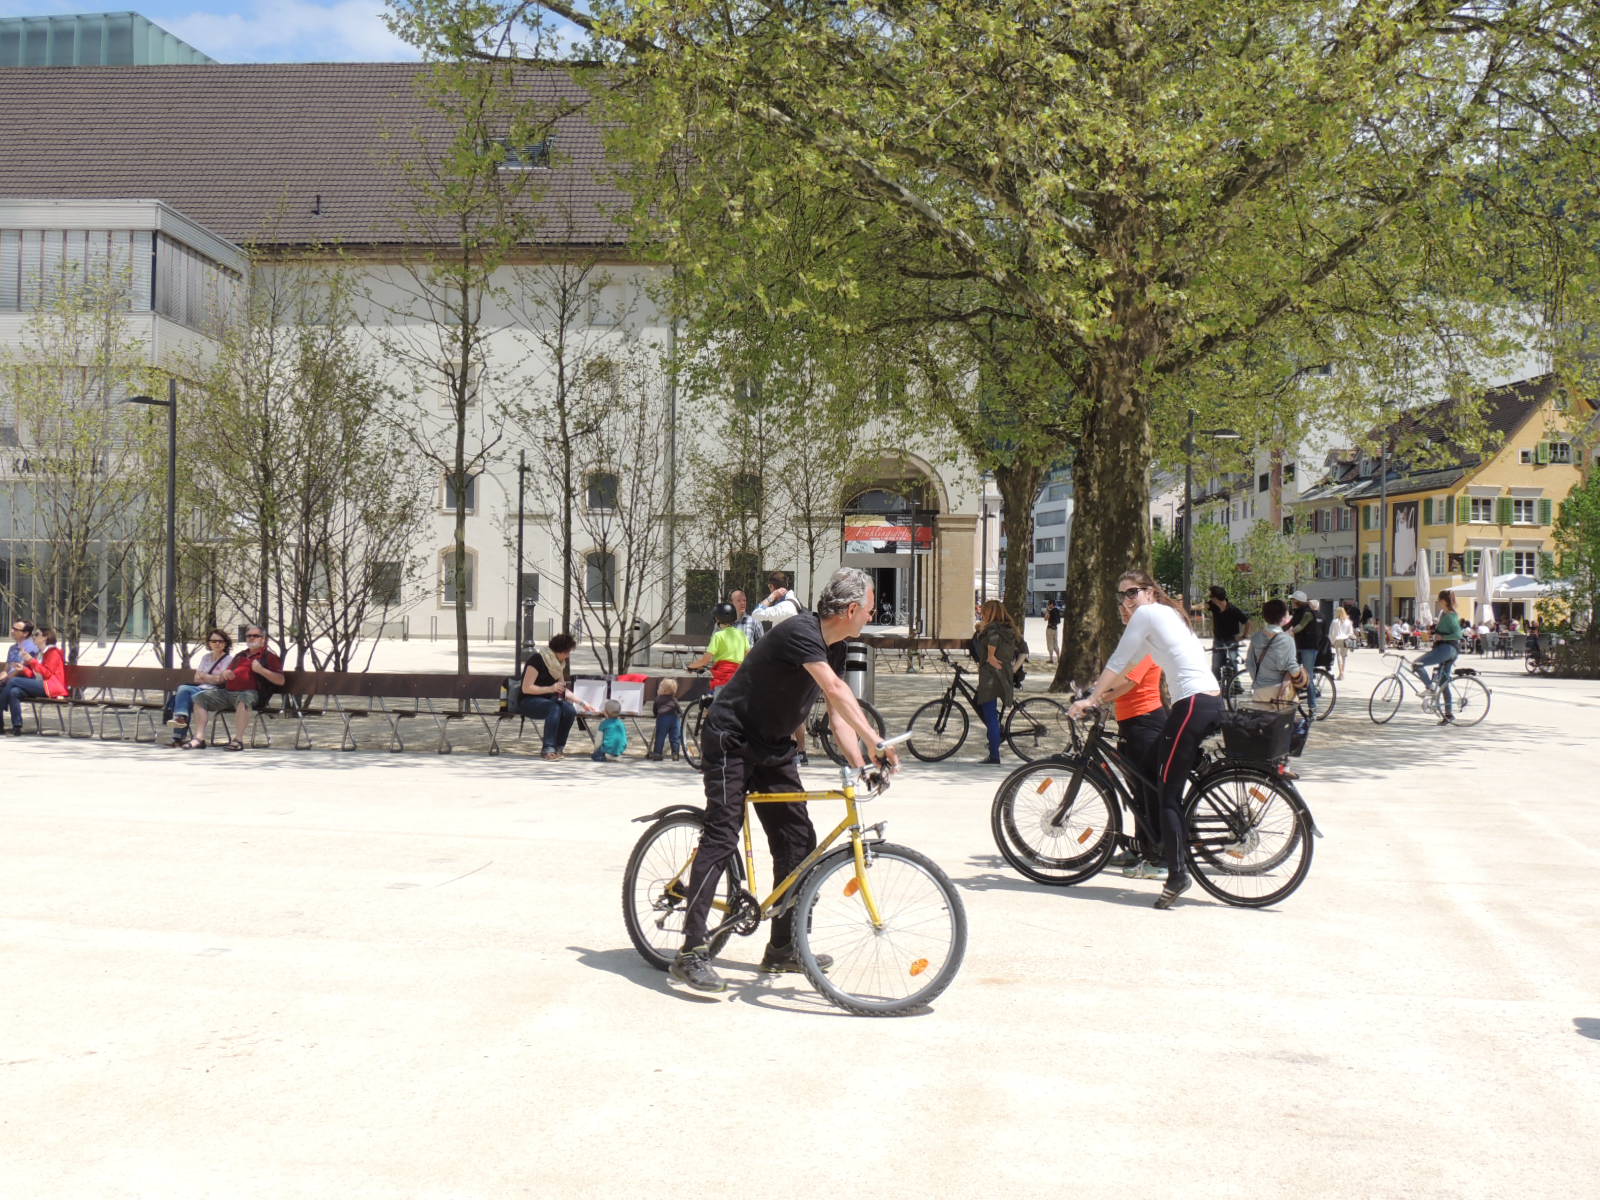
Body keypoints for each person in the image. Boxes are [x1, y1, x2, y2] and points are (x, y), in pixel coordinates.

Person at [669, 567, 894, 994]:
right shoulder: (801, 632)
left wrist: (862, 762)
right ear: (851, 610)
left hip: (773, 747)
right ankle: (692, 951)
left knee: (797, 840)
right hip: (731, 739)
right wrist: (877, 740)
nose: (871, 615)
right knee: (722, 834)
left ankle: (783, 947)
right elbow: (837, 691)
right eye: (869, 608)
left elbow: (838, 713)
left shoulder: (837, 647)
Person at [1069, 568, 1221, 910]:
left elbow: (1118, 660)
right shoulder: (1162, 617)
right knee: (1157, 775)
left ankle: (1175, 872)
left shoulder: (1149, 613)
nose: (1128, 600)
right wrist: (1095, 692)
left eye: (1133, 592)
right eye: (1122, 595)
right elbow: (1127, 667)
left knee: (1167, 794)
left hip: (1192, 704)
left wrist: (1091, 700)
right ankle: (1160, 850)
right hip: (1204, 702)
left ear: (1150, 592)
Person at [1101, 640, 1166, 878]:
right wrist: (1098, 691)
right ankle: (1141, 847)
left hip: (1145, 721)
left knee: (1149, 791)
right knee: (1137, 792)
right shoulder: (1136, 646)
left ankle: (1158, 857)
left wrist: (1099, 697)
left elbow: (1129, 681)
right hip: (1130, 723)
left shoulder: (1148, 646)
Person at [184, 625, 285, 750]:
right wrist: (226, 673)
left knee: (244, 698)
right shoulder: (240, 655)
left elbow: (281, 680)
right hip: (229, 692)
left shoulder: (269, 657)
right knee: (200, 698)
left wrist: (261, 670)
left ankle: (238, 740)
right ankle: (199, 738)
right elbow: (227, 673)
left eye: (255, 636)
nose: (251, 638)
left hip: (252, 693)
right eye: (249, 636)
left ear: (263, 639)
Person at [972, 598, 1022, 764]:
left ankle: (994, 755)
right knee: (987, 711)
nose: (982, 615)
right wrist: (1013, 669)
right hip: (1005, 674)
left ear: (990, 613)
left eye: (984, 612)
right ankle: (995, 736)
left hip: (990, 677)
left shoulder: (992, 629)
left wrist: (991, 656)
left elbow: (992, 642)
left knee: (990, 716)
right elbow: (1024, 651)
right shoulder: (1011, 629)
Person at [516, 632, 580, 760]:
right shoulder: (537, 660)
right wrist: (551, 688)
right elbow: (526, 688)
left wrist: (582, 703)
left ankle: (558, 747)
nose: (568, 656)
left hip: (547, 701)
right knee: (554, 708)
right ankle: (548, 749)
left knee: (569, 710)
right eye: (567, 652)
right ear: (558, 650)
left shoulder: (558, 664)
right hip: (528, 701)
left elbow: (562, 690)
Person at [167, 629, 234, 745]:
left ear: (225, 643)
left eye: (220, 641)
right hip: (200, 689)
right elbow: (196, 678)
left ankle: (179, 734)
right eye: (213, 641)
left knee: (184, 694)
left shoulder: (229, 660)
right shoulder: (206, 657)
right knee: (183, 690)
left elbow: (220, 680)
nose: (217, 643)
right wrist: (211, 678)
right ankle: (181, 720)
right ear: (209, 643)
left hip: (216, 692)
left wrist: (204, 676)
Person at [2, 625, 67, 733]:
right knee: (14, 691)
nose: (34, 637)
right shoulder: (41, 653)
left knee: (14, 681)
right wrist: (23, 668)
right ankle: (17, 726)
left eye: (37, 634)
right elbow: (35, 674)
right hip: (39, 685)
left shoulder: (53, 652)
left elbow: (48, 674)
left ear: (45, 637)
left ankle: (2, 705)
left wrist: (31, 660)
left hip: (51, 687)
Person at [1414, 589, 1463, 724]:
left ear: (1443, 601)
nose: (1438, 603)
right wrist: (1433, 633)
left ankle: (1429, 687)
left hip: (1447, 649)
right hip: (1448, 649)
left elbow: (1458, 634)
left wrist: (1442, 637)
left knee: (1417, 664)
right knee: (1443, 683)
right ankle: (1448, 715)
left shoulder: (1450, 615)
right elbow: (1442, 631)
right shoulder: (1444, 614)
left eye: (1439, 601)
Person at [1246, 598, 1304, 703]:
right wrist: (1303, 675)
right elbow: (1292, 668)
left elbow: (1249, 663)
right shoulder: (1287, 639)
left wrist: (1258, 679)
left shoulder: (1256, 637)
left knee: (1260, 714)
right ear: (1283, 617)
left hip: (1259, 690)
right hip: (1280, 692)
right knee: (1288, 712)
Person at [687, 602, 748, 689]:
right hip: (737, 678)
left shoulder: (718, 636)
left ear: (717, 619)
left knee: (701, 690)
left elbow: (705, 661)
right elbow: (748, 655)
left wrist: (690, 666)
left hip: (721, 678)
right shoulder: (742, 635)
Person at [1288, 591, 1323, 715]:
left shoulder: (1308, 613)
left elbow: (1299, 627)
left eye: (1293, 600)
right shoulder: (1297, 612)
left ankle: (1312, 708)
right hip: (1299, 646)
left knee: (1307, 676)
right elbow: (1289, 624)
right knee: (1292, 671)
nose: (1292, 602)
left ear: (1298, 601)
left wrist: (1287, 633)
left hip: (1309, 647)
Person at [1206, 585, 1251, 681]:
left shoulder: (1233, 609)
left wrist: (1244, 636)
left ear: (1215, 598)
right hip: (1218, 639)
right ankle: (1217, 685)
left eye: (1211, 596)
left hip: (1231, 640)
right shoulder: (1213, 606)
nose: (1210, 599)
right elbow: (1201, 606)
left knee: (1233, 663)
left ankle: (1235, 685)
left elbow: (1247, 622)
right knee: (1216, 665)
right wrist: (1188, 606)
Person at [649, 677, 683, 762]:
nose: (658, 689)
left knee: (660, 737)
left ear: (663, 690)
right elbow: (678, 709)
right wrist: (680, 714)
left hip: (662, 718)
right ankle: (675, 753)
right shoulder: (674, 699)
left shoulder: (658, 698)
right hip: (674, 719)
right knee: (675, 737)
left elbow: (655, 709)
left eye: (660, 687)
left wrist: (656, 715)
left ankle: (657, 753)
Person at [3, 619, 40, 689]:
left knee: (14, 690)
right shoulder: (12, 648)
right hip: (9, 680)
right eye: (12, 628)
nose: (11, 631)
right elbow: (6, 669)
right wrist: (2, 676)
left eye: (15, 630)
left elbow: (21, 670)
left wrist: (5, 680)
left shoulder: (33, 648)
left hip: (22, 681)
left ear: (25, 633)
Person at [1328, 605, 1356, 679]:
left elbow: (1331, 633)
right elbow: (1351, 632)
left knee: (1338, 656)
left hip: (1337, 640)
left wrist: (1332, 641)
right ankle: (1342, 672)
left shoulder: (1334, 621)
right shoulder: (1348, 622)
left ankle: (1341, 673)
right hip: (1346, 640)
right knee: (1344, 657)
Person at [1044, 599, 1062, 664]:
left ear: (1051, 604)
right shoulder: (1057, 610)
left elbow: (1045, 619)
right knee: (1055, 644)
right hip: (1055, 629)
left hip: (1050, 629)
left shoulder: (1050, 611)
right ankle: (1058, 658)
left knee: (1050, 644)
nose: (1048, 605)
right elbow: (1059, 621)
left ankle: (1051, 659)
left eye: (1049, 604)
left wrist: (1047, 611)